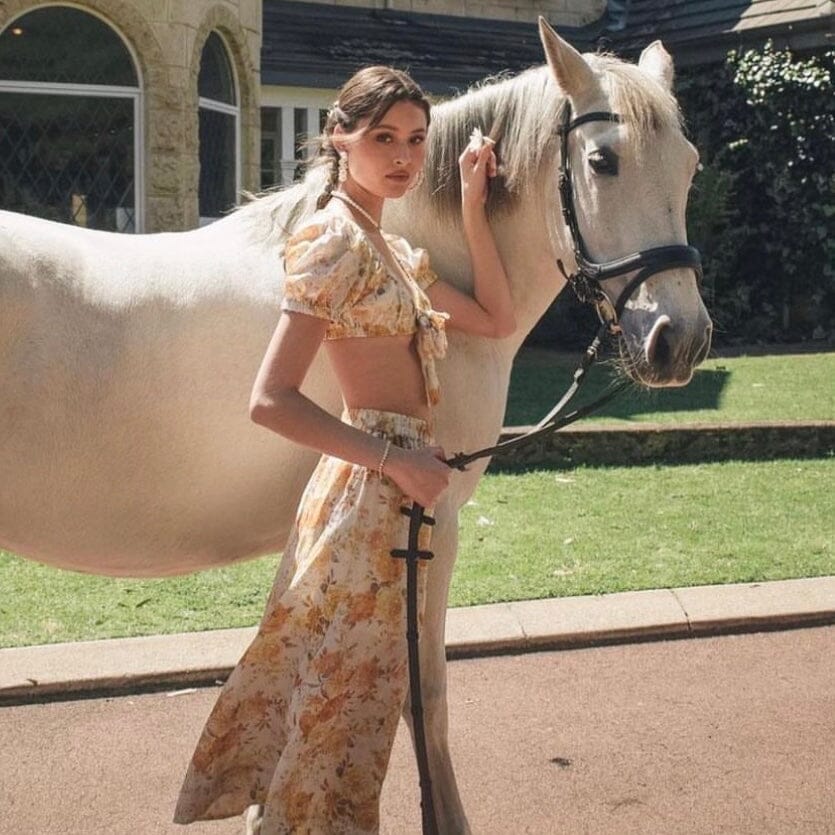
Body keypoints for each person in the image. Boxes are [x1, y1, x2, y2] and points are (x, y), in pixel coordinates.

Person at [173, 65, 516, 834]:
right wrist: (396, 461)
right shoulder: (331, 241)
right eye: (382, 138)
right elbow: (270, 398)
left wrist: (471, 203)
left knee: (355, 706)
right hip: (369, 495)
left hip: (397, 493)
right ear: (338, 138)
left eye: (416, 140)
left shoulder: (388, 247)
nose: (402, 156)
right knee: (340, 706)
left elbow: (496, 318)